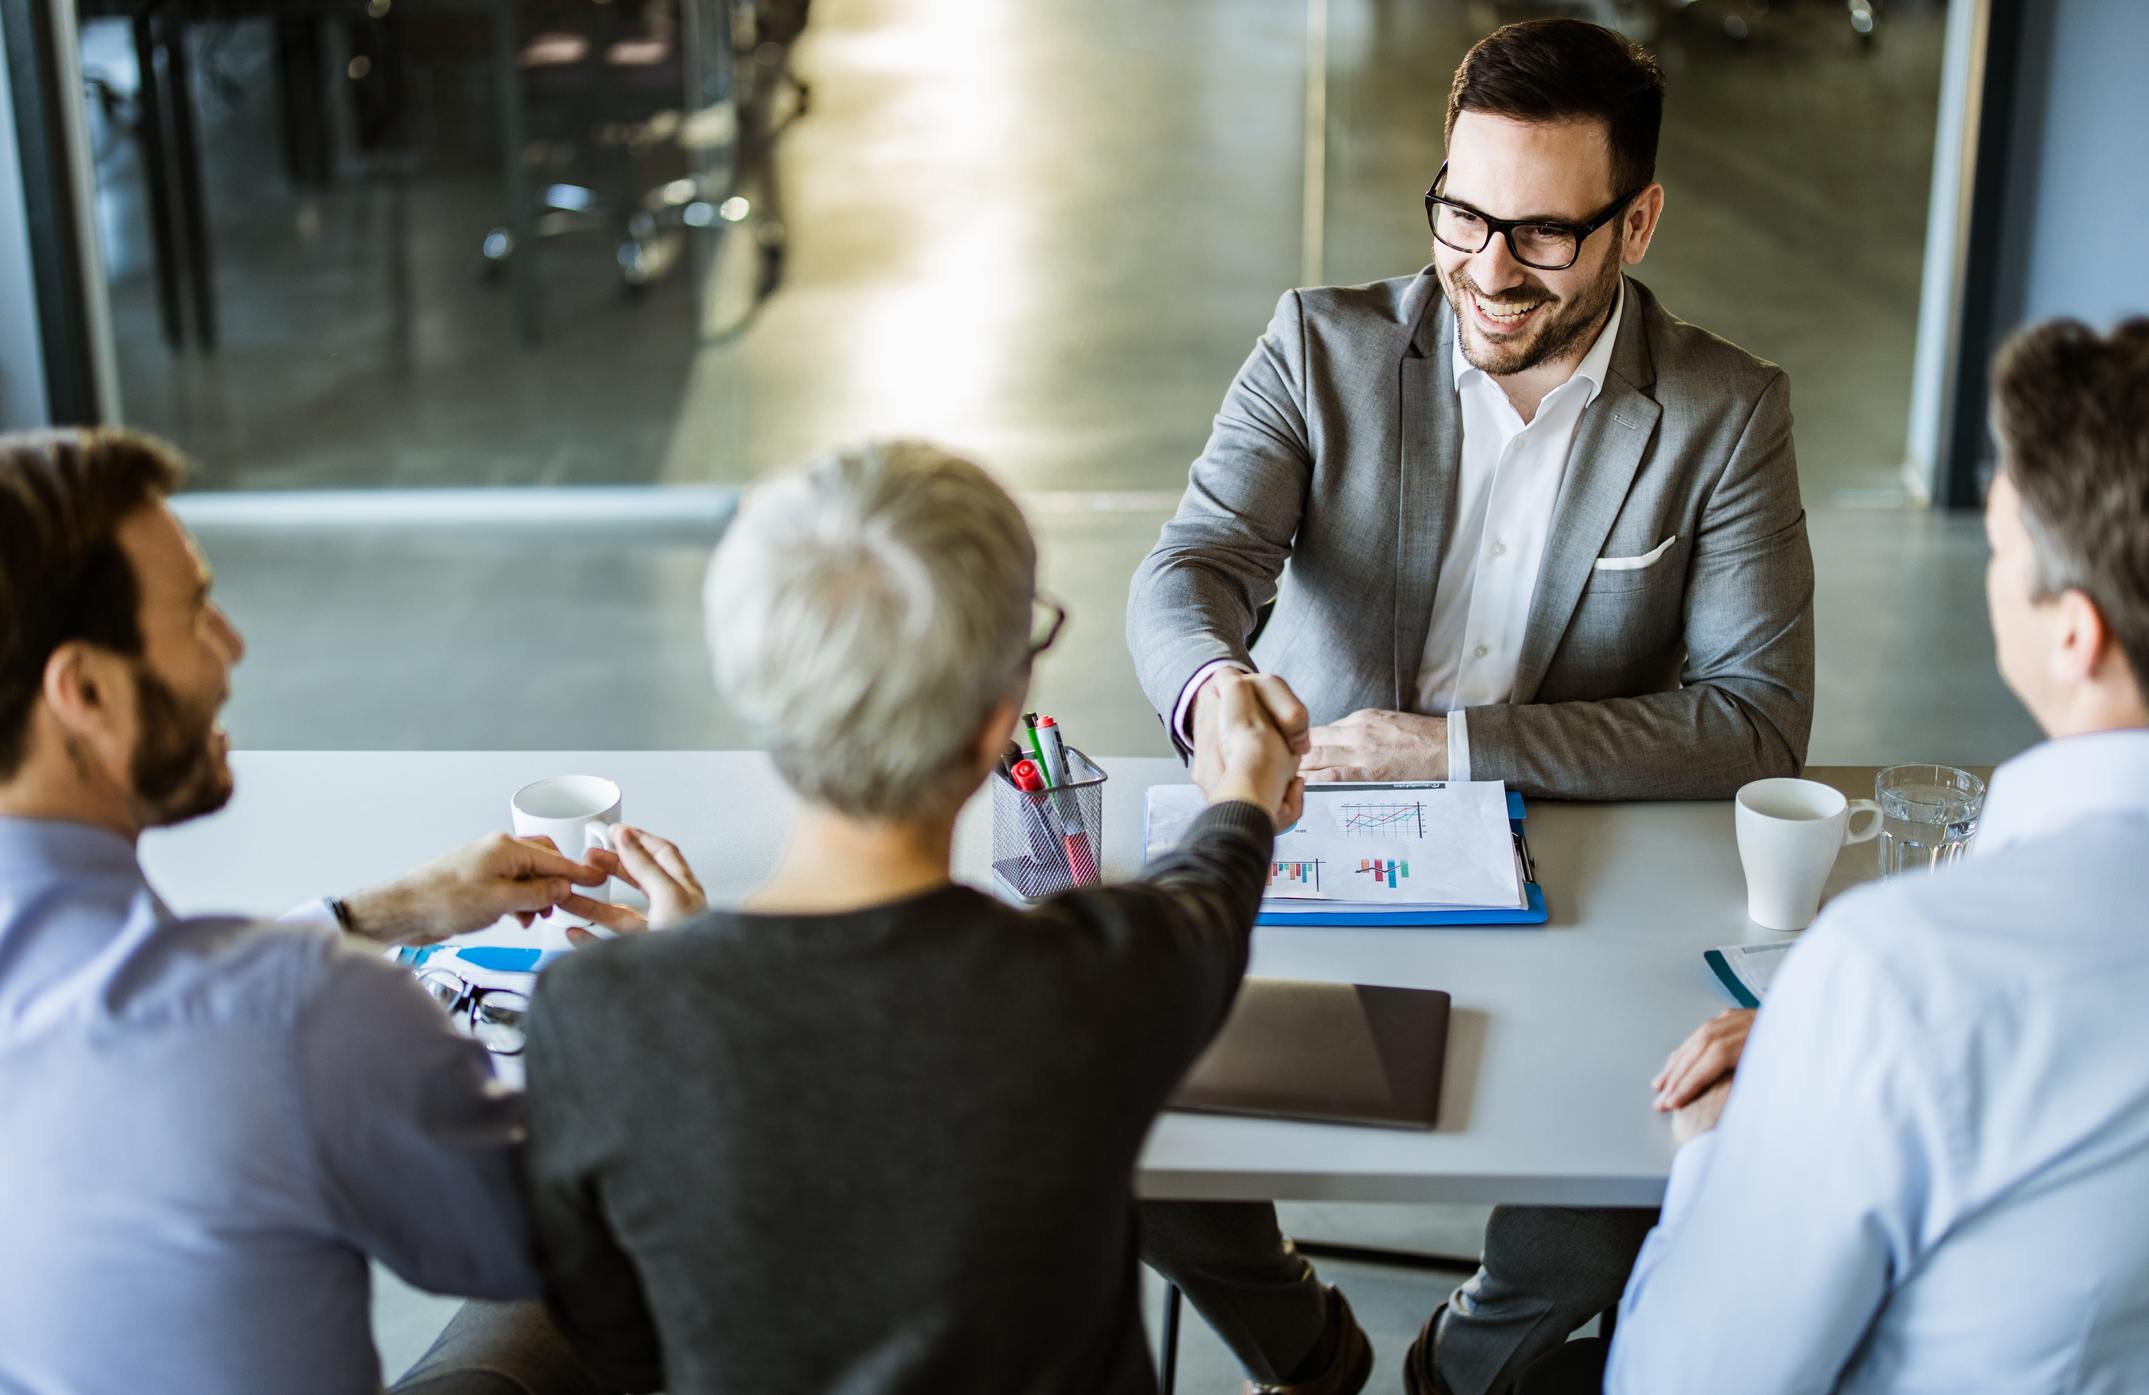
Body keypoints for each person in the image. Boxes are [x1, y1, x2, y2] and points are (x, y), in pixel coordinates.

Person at [1127, 20, 1815, 1394]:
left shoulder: (1722, 413)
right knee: (1134, 1124)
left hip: (1577, 872)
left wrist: (1451, 745)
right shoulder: (1318, 346)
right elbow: (1190, 567)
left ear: (1639, 222)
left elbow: (1753, 718)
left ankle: (1461, 1365)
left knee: (1617, 1176)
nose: (1489, 272)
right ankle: (1304, 1345)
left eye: (1545, 235)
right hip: (1314, 846)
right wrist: (1215, 686)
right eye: (1462, 212)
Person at [520, 440, 1330, 1395]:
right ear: (998, 723)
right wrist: (1239, 789)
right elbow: (1211, 896)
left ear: (757, 692)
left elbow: (611, 1334)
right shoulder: (1097, 978)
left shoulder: (595, 1011)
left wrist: (687, 962)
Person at [1525, 317, 2149, 1394]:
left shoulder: (1900, 976)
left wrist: (1735, 1135)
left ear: (2073, 636)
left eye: (2001, 550)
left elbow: (1681, 1383)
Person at [0, 427, 638, 1395]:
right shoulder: (300, 1013)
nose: (234, 648)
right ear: (83, 689)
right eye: (199, 611)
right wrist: (684, 1000)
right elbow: (567, 1242)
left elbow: (168, 1021)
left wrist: (386, 910)